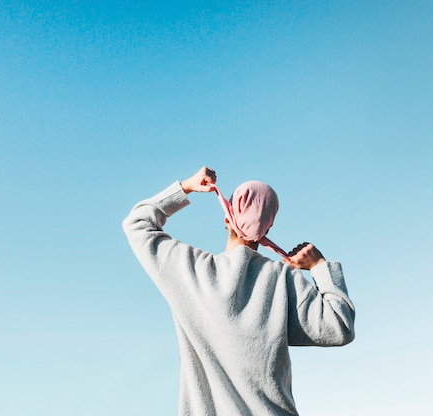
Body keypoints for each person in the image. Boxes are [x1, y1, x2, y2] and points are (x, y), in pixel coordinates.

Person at [122, 166, 355, 416]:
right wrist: (319, 266)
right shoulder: (283, 280)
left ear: (226, 218)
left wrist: (187, 186)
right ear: (266, 230)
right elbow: (339, 327)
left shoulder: (192, 271)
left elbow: (137, 224)